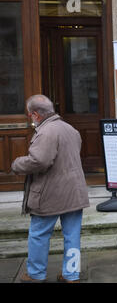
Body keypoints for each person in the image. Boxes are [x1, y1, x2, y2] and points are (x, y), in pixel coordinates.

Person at [11, 94, 89, 283]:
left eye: (30, 115)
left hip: (49, 194)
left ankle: (36, 275)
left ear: (36, 115)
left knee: (39, 235)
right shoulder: (70, 129)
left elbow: (40, 161)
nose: (31, 119)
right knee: (72, 236)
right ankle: (71, 276)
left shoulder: (46, 132)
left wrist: (17, 164)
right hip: (74, 192)